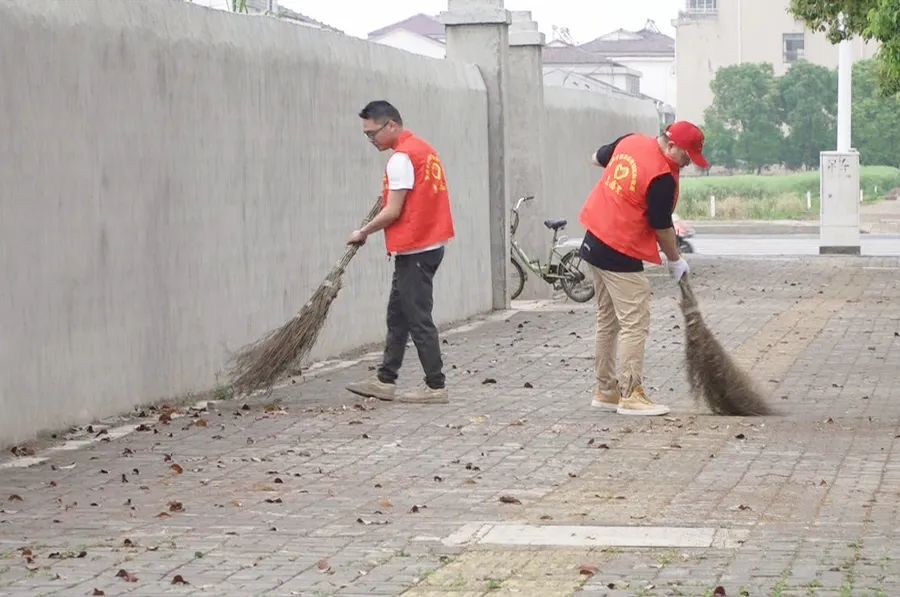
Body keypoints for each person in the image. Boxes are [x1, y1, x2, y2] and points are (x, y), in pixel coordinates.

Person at [578, 121, 709, 416]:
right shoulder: (662, 177)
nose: (688, 163)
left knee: (608, 319)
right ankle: (630, 394)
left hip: (594, 240)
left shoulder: (630, 141)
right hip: (619, 249)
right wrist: (675, 260)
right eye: (686, 156)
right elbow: (662, 227)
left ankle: (605, 391)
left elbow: (597, 157)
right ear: (671, 145)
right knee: (634, 322)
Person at [345, 100, 455, 404]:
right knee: (398, 315)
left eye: (372, 133)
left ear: (391, 125)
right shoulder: (424, 149)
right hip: (426, 244)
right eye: (366, 135)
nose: (370, 140)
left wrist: (363, 232)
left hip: (416, 248)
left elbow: (393, 210)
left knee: (418, 317)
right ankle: (385, 379)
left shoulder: (401, 158)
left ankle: (435, 386)